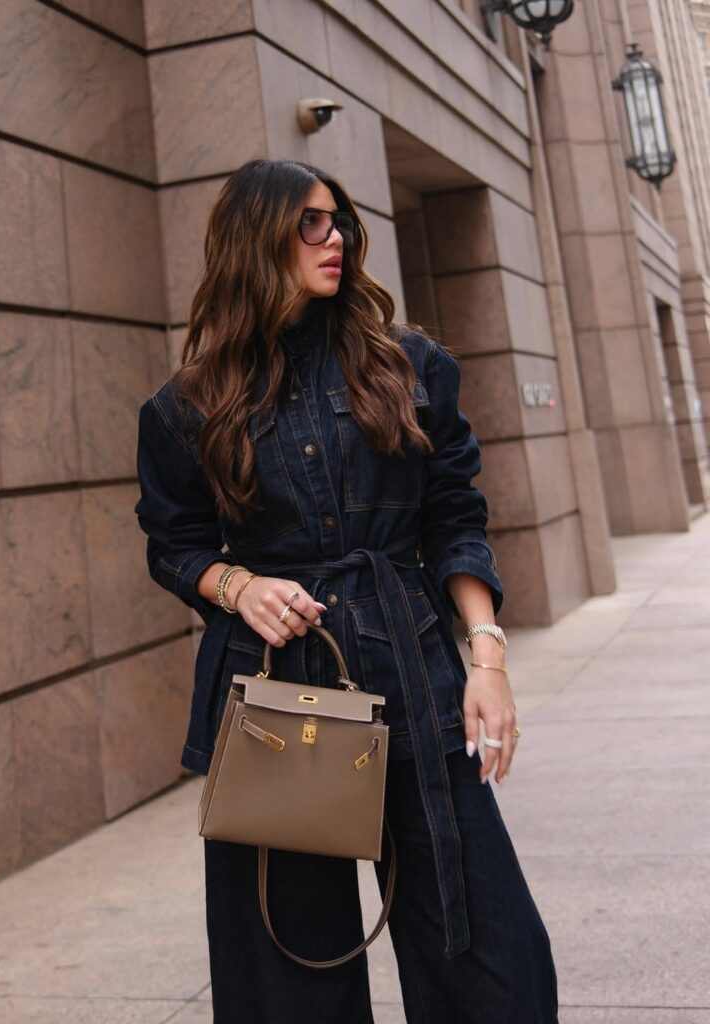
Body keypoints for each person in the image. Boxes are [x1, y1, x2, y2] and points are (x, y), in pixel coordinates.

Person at [134, 158, 558, 1023]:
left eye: (340, 222)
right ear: (257, 242)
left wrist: (487, 658)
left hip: (414, 677)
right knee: (288, 973)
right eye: (311, 224)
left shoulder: (408, 366)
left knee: (486, 950)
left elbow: (454, 519)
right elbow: (173, 545)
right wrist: (236, 583)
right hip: (277, 699)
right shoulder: (188, 405)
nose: (337, 240)